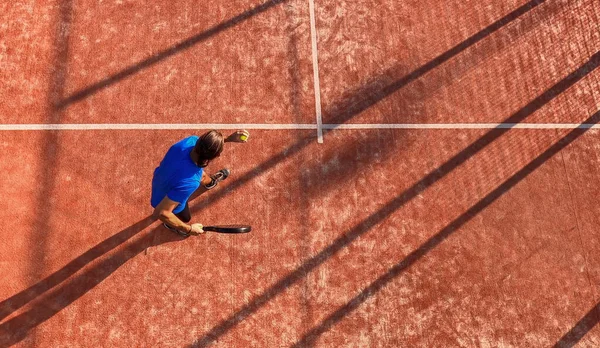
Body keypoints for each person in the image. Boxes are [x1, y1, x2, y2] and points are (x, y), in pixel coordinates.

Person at [151, 129, 249, 237]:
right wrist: (189, 229)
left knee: (200, 175)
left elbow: (204, 146)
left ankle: (210, 183)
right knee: (185, 218)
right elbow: (161, 212)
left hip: (162, 177)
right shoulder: (190, 182)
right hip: (161, 199)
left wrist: (228, 139)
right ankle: (170, 224)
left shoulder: (190, 141)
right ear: (216, 156)